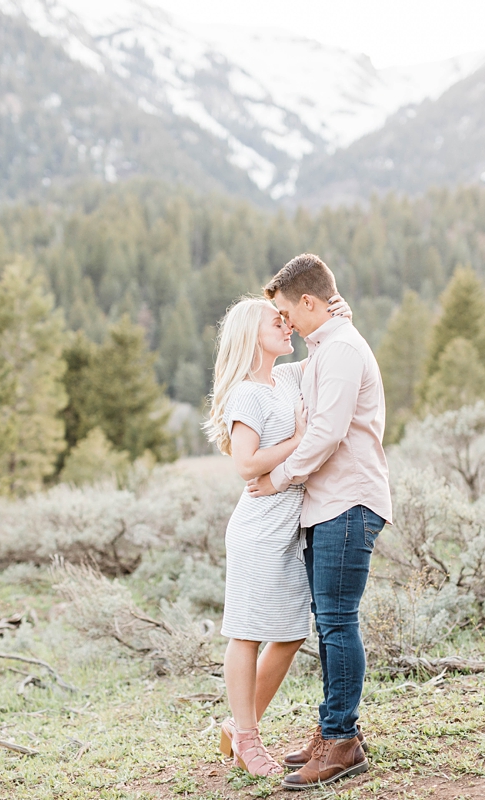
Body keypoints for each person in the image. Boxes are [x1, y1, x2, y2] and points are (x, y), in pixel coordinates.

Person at [247, 253, 391, 790]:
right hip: (331, 504)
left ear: (309, 301)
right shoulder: (329, 346)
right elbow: (294, 380)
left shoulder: (343, 350)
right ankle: (333, 732)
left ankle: (342, 740)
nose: (285, 322)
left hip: (348, 502)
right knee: (330, 621)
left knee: (336, 621)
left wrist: (278, 477)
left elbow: (328, 433)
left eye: (287, 312)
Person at [202, 292, 352, 777]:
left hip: (289, 525)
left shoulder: (285, 377)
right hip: (260, 526)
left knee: (289, 634)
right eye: (277, 322)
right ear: (252, 334)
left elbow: (324, 354)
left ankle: (237, 726)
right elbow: (244, 463)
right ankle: (248, 739)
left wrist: (338, 317)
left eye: (287, 320)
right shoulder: (248, 392)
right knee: (246, 631)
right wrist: (297, 441)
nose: (286, 326)